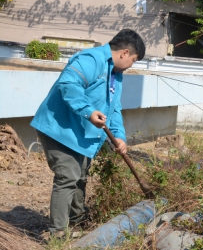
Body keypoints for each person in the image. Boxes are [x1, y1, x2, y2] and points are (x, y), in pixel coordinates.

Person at [30, 29, 145, 238]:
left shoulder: (116, 76)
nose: (131, 65)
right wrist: (89, 111)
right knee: (68, 176)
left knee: (80, 176)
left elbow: (114, 108)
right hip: (59, 128)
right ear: (124, 52)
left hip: (81, 134)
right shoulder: (91, 59)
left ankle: (77, 222)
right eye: (134, 60)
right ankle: (58, 234)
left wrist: (119, 136)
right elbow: (69, 84)